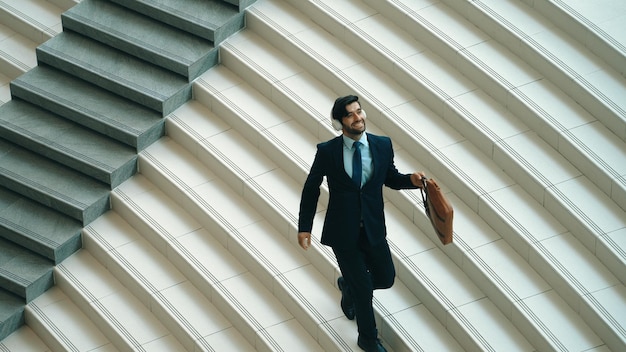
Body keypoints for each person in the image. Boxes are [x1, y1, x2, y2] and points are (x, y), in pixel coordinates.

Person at [297, 95, 425, 352]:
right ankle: (367, 339)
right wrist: (304, 227)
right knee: (365, 290)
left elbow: (389, 177)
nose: (358, 118)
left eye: (359, 111)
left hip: (373, 229)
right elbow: (312, 188)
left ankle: (349, 286)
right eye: (351, 115)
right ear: (339, 122)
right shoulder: (328, 151)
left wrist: (410, 180)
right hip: (343, 233)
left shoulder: (382, 145)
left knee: (386, 278)